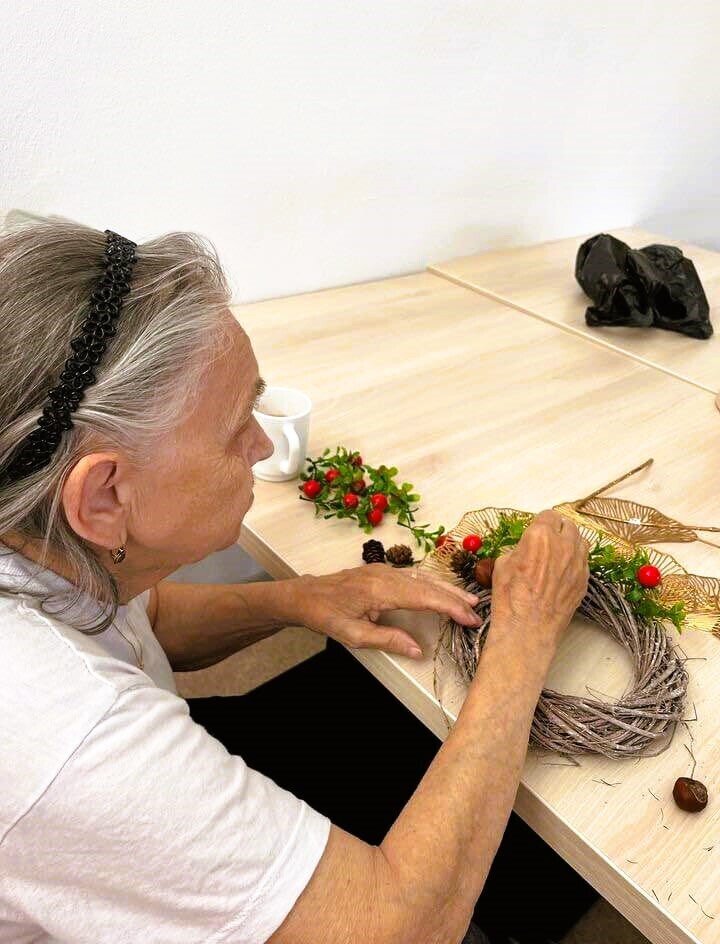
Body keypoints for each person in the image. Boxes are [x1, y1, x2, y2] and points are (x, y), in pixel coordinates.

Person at [0, 218, 589, 944]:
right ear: (103, 498)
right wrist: (526, 637)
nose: (261, 444)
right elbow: (399, 931)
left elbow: (145, 622)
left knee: (372, 710)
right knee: (527, 852)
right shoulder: (72, 735)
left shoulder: (41, 530)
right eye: (234, 429)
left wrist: (301, 599)